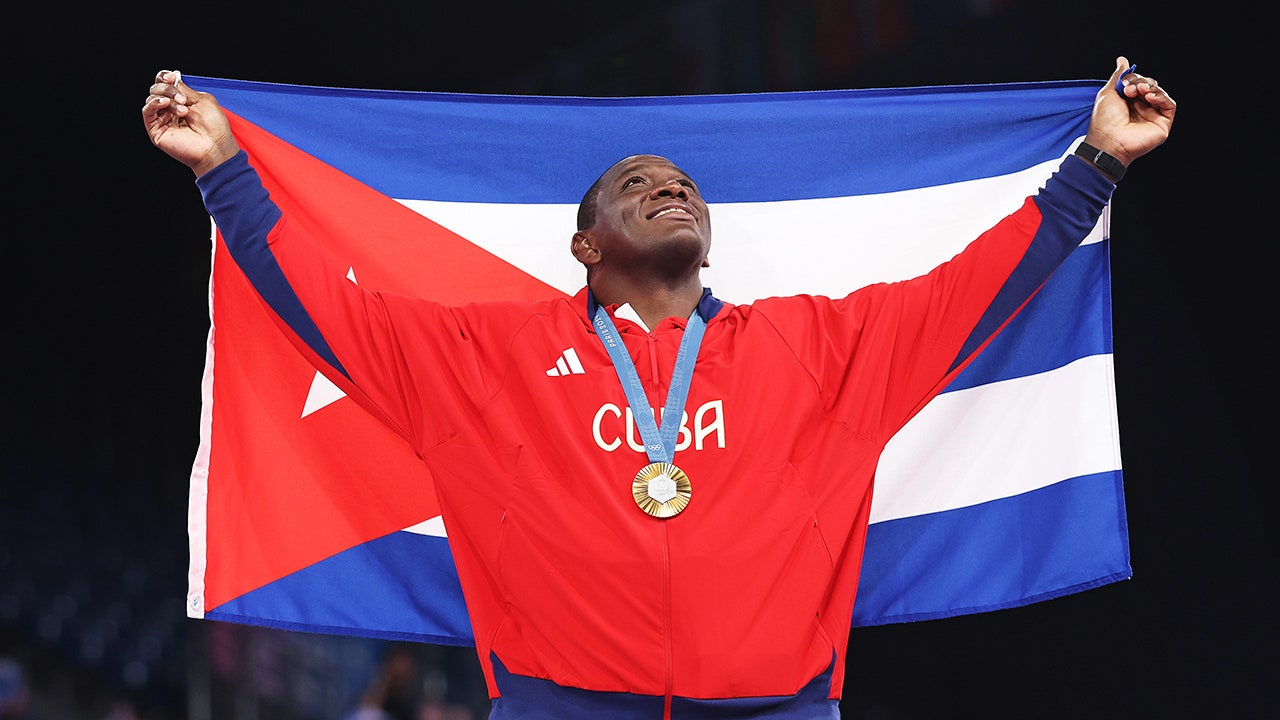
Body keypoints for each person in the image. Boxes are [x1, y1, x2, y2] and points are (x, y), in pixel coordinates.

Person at [142, 57, 1174, 719]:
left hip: (773, 706)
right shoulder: (484, 357)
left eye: (681, 184)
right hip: (560, 705)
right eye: (635, 185)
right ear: (586, 245)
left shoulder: (815, 343)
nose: (668, 187)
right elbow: (333, 312)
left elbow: (970, 293)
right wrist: (224, 172)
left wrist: (1096, 164)